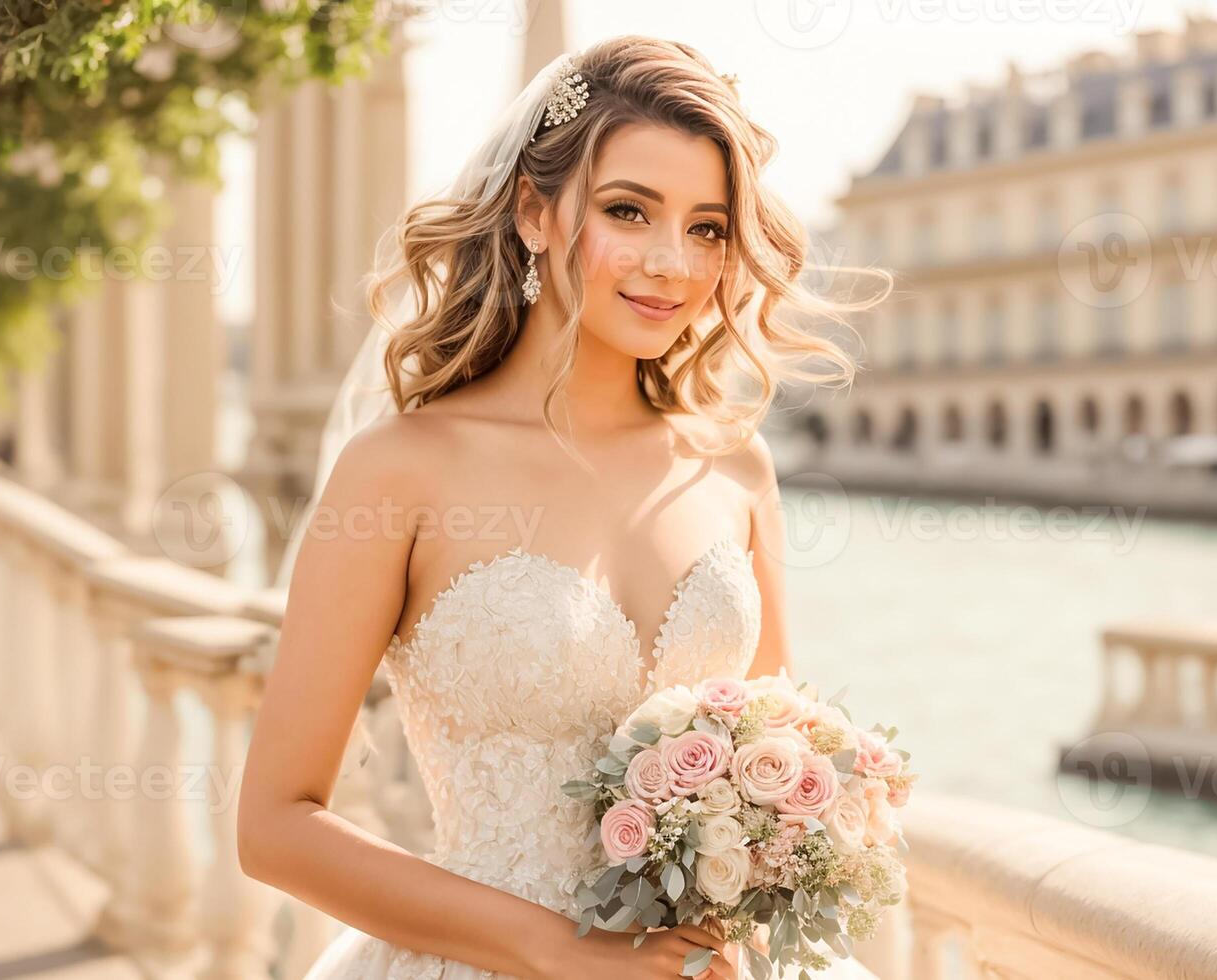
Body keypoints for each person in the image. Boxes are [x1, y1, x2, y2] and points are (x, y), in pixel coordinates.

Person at [236, 36, 888, 980]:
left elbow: (783, 746)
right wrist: (562, 951)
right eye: (630, 211)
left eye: (707, 228)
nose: (672, 262)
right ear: (535, 213)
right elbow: (275, 827)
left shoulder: (734, 467)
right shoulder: (399, 472)